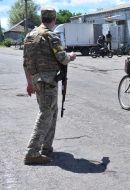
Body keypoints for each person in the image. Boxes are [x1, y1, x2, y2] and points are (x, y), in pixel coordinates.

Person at [23, 7, 76, 165]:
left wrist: (29, 83)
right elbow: (62, 57)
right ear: (54, 19)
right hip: (48, 82)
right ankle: (32, 152)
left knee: (51, 112)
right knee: (46, 114)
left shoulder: (30, 35)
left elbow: (25, 63)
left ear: (42, 18)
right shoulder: (51, 35)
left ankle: (46, 146)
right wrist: (71, 56)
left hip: (37, 80)